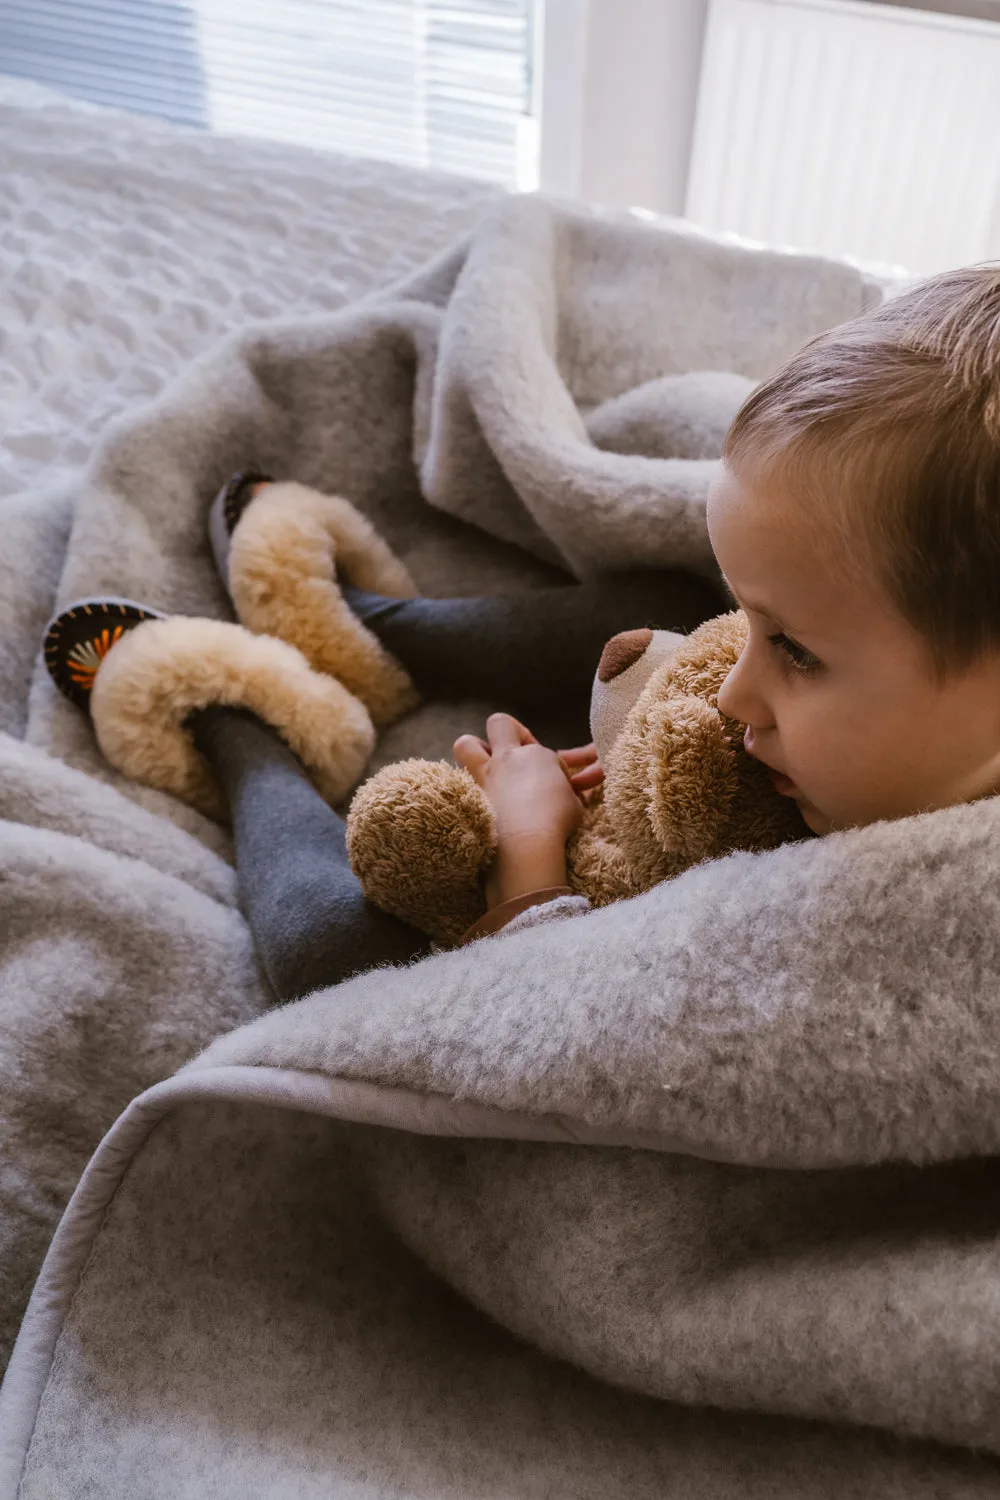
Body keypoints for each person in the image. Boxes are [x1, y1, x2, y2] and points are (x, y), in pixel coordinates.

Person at [45, 262, 1000, 999]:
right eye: (749, 629)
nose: (732, 690)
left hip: (559, 945)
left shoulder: (932, 917)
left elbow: (586, 1047)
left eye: (794, 651)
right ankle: (378, 631)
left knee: (341, 959)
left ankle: (235, 727)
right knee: (651, 608)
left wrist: (531, 863)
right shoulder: (934, 735)